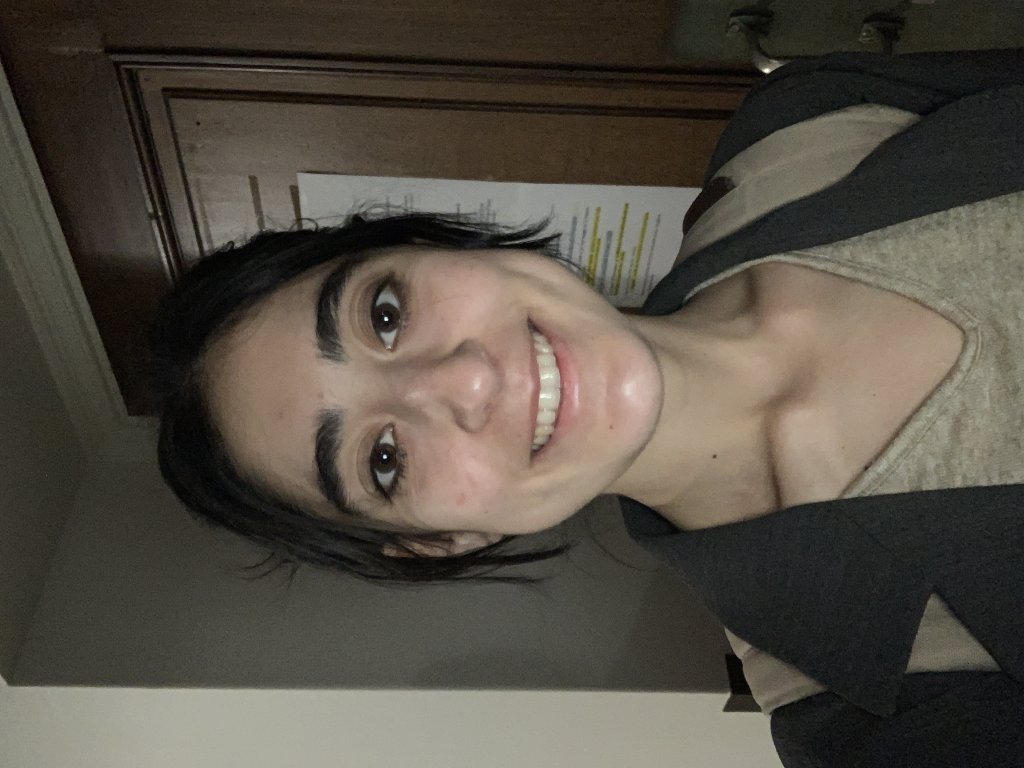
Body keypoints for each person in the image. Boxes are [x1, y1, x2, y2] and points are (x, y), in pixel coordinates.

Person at [150, 50, 1024, 767]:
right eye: (384, 459)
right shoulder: (876, 726)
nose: (462, 382)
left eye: (383, 313)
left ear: (423, 244)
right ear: (445, 539)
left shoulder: (805, 125)